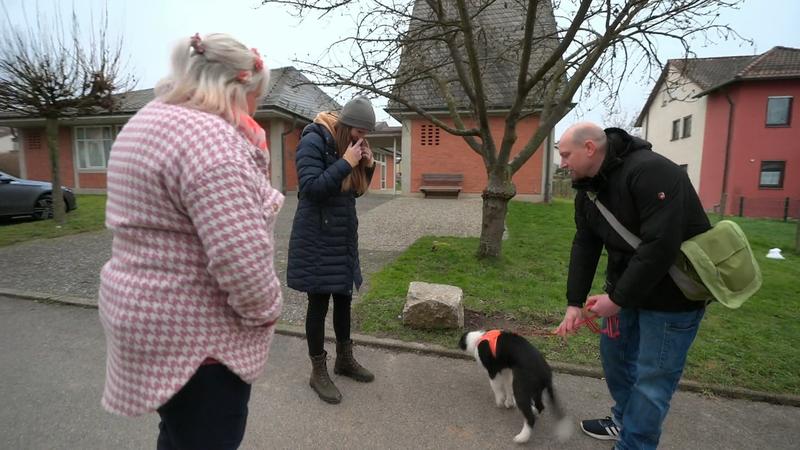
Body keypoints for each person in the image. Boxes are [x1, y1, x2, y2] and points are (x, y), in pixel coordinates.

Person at [98, 33, 283, 450]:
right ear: (235, 88)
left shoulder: (147, 121)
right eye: (254, 98)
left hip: (142, 321)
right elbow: (241, 256)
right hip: (197, 341)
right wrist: (267, 311)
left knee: (178, 434)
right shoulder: (210, 141)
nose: (254, 111)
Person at [554, 122, 711, 450]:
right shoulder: (589, 189)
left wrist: (616, 299)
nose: (562, 163)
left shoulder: (652, 172)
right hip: (625, 292)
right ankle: (625, 421)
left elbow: (660, 246)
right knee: (617, 362)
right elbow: (585, 244)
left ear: (589, 148)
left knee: (652, 381)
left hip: (672, 298)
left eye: (566, 155)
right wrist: (574, 302)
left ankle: (635, 444)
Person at [287, 96, 377, 404]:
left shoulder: (348, 146)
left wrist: (366, 165)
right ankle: (318, 371)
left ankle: (344, 359)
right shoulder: (313, 140)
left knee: (343, 299)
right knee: (319, 303)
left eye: (366, 134)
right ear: (345, 126)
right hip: (316, 237)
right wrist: (346, 162)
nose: (361, 139)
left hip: (341, 235)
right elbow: (311, 188)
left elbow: (354, 191)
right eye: (359, 132)